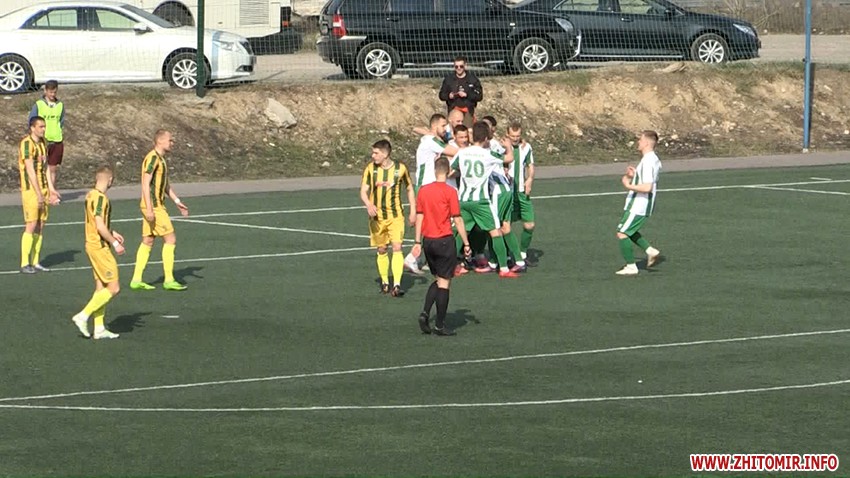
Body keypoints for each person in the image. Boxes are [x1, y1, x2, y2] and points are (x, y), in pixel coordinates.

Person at [451, 122, 519, 278]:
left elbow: (452, 169)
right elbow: (509, 158)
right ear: (486, 138)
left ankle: (452, 265)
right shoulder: (487, 154)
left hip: (464, 199)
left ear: (472, 136)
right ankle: (504, 268)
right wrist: (508, 147)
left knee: (461, 232)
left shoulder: (462, 153)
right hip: (481, 200)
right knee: (495, 232)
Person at [412, 157, 472, 336]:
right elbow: (457, 219)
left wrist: (417, 241)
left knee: (438, 279)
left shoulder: (423, 190)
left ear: (434, 170)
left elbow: (419, 216)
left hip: (428, 241)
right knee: (445, 282)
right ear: (448, 172)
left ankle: (425, 312)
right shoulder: (450, 192)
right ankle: (439, 325)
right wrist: (466, 243)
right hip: (444, 240)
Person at [130, 129, 190, 291]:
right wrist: (149, 208)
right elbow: (145, 183)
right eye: (170, 140)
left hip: (154, 205)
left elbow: (165, 185)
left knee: (148, 240)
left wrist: (177, 201)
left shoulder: (161, 160)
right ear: (160, 141)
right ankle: (169, 279)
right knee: (170, 239)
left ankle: (136, 279)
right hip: (154, 206)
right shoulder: (152, 158)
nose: (172, 143)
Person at [72, 165, 125, 340]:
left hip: (91, 244)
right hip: (100, 247)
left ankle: (99, 328)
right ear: (110, 180)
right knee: (114, 287)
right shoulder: (101, 198)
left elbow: (96, 223)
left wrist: (112, 231)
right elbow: (100, 226)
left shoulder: (90, 195)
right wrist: (115, 243)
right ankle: (83, 315)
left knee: (101, 287)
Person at [404, 114, 459, 275]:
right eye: (443, 126)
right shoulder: (431, 141)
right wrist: (474, 151)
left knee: (430, 224)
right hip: (425, 187)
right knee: (426, 224)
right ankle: (412, 258)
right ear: (435, 127)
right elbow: (454, 151)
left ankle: (423, 259)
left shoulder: (431, 139)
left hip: (428, 187)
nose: (446, 129)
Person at [360, 139, 416, 297]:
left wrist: (413, 210)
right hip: (377, 217)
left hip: (396, 216)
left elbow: (409, 188)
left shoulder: (400, 169)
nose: (373, 156)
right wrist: (368, 204)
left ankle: (397, 285)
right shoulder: (371, 169)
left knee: (397, 247)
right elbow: (363, 191)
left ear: (385, 154)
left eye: (376, 153)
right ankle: (385, 282)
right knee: (382, 248)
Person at [616, 130, 662, 276]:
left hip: (639, 204)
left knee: (622, 233)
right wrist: (635, 175)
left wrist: (628, 185)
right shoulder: (651, 159)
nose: (638, 142)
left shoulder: (648, 161)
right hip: (638, 203)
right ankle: (650, 250)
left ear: (647, 143)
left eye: (640, 140)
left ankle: (631, 267)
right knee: (629, 230)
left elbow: (647, 187)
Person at [18, 116, 60, 274]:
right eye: (40, 126)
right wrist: (38, 193)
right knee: (31, 224)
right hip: (31, 190)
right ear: (32, 128)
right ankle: (24, 263)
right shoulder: (26, 144)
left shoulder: (43, 143)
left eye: (44, 126)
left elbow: (46, 168)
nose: (43, 129)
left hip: (42, 189)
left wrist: (51, 188)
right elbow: (30, 171)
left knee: (41, 225)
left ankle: (35, 261)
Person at [506, 123, 536, 262]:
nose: (515, 138)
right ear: (507, 135)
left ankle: (523, 253)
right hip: (507, 193)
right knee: (506, 225)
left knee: (530, 225)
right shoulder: (502, 147)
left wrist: (529, 179)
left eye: (518, 136)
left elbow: (530, 165)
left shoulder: (526, 147)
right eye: (513, 136)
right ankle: (506, 254)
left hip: (522, 192)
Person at [29, 80, 65, 189]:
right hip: (43, 141)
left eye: (54, 92)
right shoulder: (38, 105)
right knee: (41, 168)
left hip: (56, 140)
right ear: (45, 91)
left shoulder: (60, 105)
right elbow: (32, 121)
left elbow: (61, 121)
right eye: (50, 92)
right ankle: (39, 191)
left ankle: (51, 192)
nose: (52, 94)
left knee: (52, 169)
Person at [439, 56, 482, 127]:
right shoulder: (449, 79)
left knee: (467, 130)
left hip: (468, 111)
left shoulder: (472, 79)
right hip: (453, 109)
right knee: (453, 130)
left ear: (465, 66)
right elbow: (441, 95)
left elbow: (479, 96)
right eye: (456, 67)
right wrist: (449, 95)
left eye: (461, 66)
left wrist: (467, 95)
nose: (459, 68)